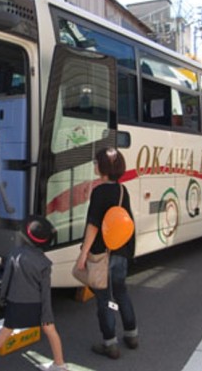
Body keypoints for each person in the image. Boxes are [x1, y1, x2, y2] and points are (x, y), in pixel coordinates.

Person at [0, 218, 67, 371]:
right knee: (51, 331)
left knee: (6, 330)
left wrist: (2, 298)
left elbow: (6, 280)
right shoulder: (45, 263)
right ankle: (59, 364)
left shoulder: (15, 254)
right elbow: (45, 292)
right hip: (38, 304)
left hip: (16, 302)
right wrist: (47, 315)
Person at [76, 148, 138, 360]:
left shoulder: (99, 191)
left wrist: (83, 254)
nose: (94, 165)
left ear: (103, 167)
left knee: (104, 299)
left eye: (96, 162)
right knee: (121, 292)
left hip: (102, 254)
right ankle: (132, 334)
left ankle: (110, 344)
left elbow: (93, 226)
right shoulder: (122, 191)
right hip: (120, 252)